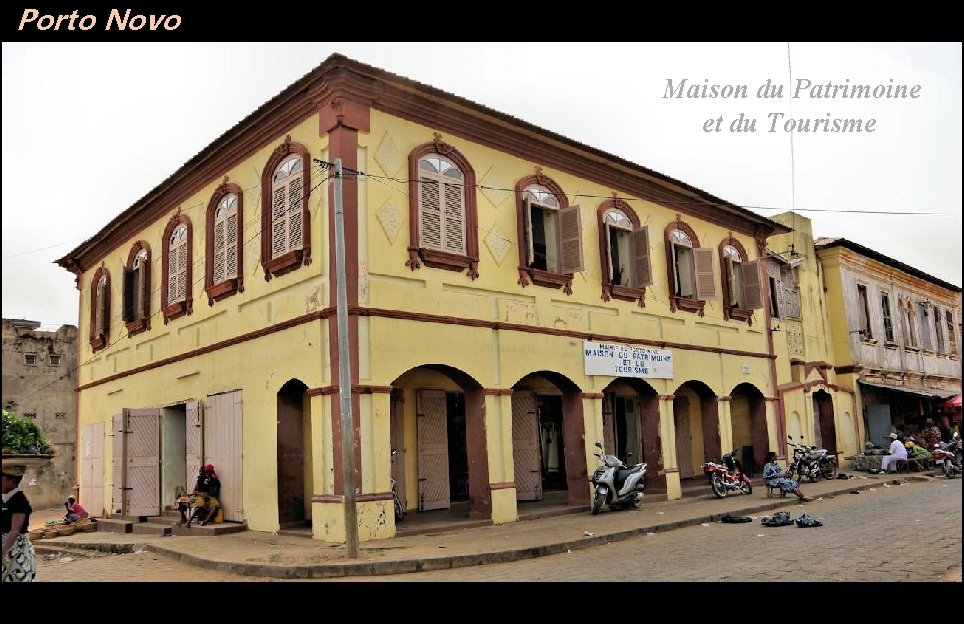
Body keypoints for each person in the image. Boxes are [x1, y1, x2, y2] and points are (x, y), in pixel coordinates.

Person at [2, 465, 36, 582]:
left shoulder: (19, 501)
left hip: (16, 550)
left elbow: (14, 530)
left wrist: (2, 551)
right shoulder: (4, 499)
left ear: (12, 481)